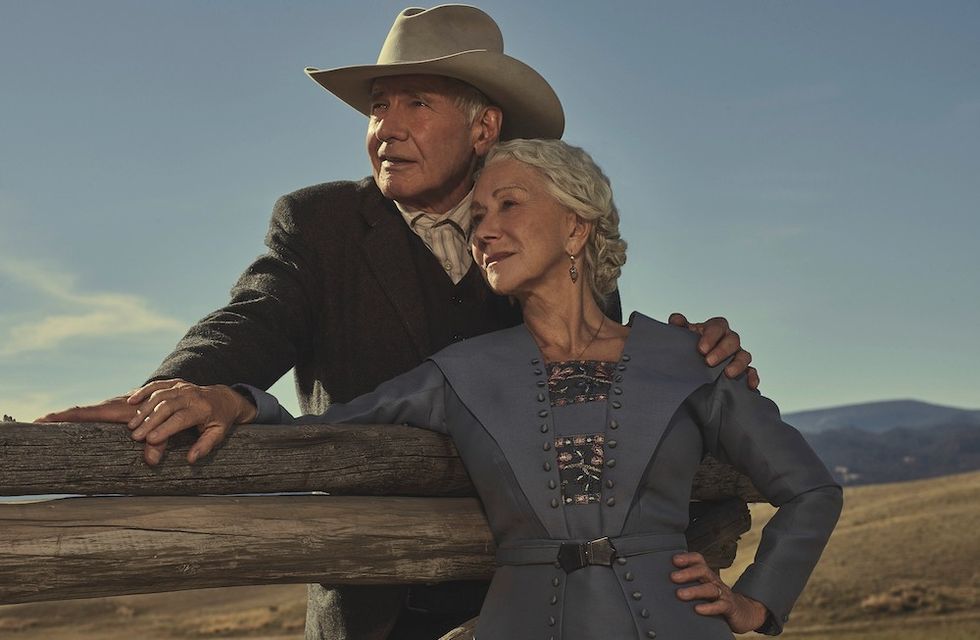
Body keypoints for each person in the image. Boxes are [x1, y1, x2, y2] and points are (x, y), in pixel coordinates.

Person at [39, 6, 759, 640]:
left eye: (417, 104)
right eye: (378, 108)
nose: (387, 128)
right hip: (369, 603)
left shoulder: (545, 233)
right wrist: (187, 384)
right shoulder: (320, 224)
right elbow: (255, 317)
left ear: (485, 127)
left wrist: (695, 371)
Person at [125, 139, 842, 639]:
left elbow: (810, 487)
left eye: (508, 207)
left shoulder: (688, 358)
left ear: (575, 226)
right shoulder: (460, 371)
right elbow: (332, 430)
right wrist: (235, 398)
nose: (484, 231)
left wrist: (756, 601)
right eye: (477, 218)